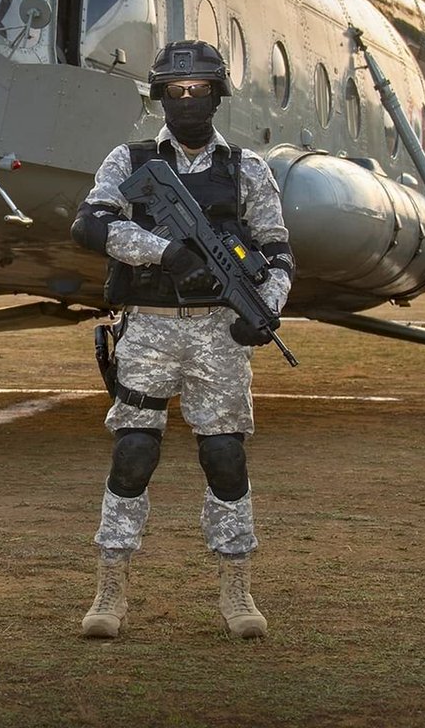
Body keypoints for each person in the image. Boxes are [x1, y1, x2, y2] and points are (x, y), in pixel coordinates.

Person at [71, 40, 294, 641]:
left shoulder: (248, 168)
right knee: (133, 453)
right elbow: (92, 223)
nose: (188, 101)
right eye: (176, 90)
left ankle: (236, 589)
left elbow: (276, 253)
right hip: (147, 325)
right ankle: (110, 588)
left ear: (217, 95)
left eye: (199, 90)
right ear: (160, 96)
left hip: (220, 332)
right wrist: (165, 252)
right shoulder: (130, 158)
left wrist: (264, 311)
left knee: (224, 457)